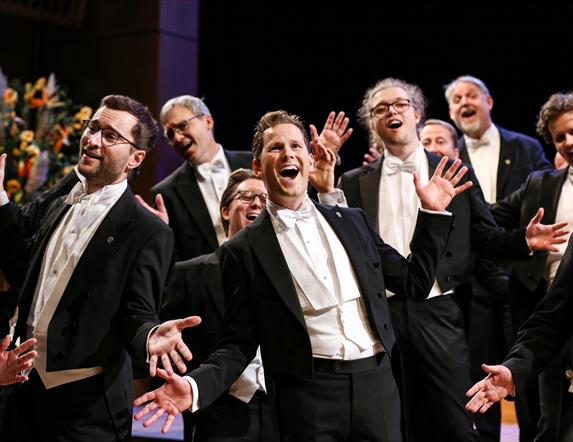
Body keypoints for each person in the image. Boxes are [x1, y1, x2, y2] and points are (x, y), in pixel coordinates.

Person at [134, 109, 475, 442]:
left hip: (377, 384)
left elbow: (413, 281)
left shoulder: (351, 220)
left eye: (296, 146)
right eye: (276, 148)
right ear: (258, 166)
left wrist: (431, 213)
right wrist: (194, 387)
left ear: (310, 161)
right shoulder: (243, 249)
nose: (288, 154)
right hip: (309, 397)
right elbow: (239, 343)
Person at [338, 78, 566, 442]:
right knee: (389, 422)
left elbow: (485, 237)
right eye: (380, 109)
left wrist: (522, 241)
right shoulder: (352, 182)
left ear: (417, 114)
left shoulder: (451, 167)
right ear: (373, 124)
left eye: (399, 105)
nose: (391, 112)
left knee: (456, 422)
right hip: (378, 316)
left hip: (440, 310)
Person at [0, 95, 201, 441]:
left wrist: (151, 336)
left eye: (110, 136)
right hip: (22, 395)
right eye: (93, 127)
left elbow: (137, 313)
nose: (92, 140)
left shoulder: (148, 231)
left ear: (135, 158)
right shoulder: (59, 199)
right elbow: (23, 269)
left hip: (87, 412)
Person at [445, 75, 554, 440]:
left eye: (471, 95)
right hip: (475, 287)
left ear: (489, 101)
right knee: (482, 381)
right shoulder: (446, 155)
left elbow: (546, 203)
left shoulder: (524, 148)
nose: (464, 102)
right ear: (450, 111)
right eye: (456, 98)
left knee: (530, 380)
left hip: (525, 282)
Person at [160, 168, 277, 441]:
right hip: (217, 415)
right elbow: (168, 354)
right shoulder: (188, 274)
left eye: (264, 198)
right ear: (225, 211)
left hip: (283, 415)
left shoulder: (293, 274)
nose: (257, 203)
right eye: (247, 196)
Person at [486, 92, 573, 441]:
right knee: (551, 422)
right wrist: (522, 238)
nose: (569, 142)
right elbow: (487, 225)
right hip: (551, 313)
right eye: (560, 137)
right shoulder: (541, 184)